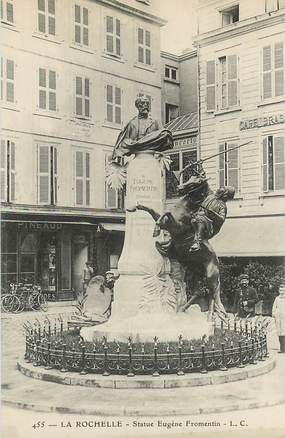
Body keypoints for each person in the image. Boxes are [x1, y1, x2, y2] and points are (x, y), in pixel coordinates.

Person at [111, 94, 173, 161]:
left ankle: (141, 142)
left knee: (165, 133)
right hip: (138, 156)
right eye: (143, 103)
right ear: (138, 106)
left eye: (147, 103)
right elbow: (125, 141)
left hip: (150, 156)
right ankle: (142, 142)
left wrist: (137, 143)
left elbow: (164, 136)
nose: (145, 105)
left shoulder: (156, 122)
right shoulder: (132, 123)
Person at [188, 185, 235, 252]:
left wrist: (213, 213)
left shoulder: (222, 206)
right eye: (220, 188)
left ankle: (197, 242)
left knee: (200, 218)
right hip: (199, 217)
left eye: (222, 190)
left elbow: (221, 219)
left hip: (210, 227)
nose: (219, 190)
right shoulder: (210, 197)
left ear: (225, 195)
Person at [272, 280, 285, 353]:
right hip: (279, 319)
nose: (282, 292)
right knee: (280, 334)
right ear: (279, 291)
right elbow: (274, 307)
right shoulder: (277, 298)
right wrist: (274, 314)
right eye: (281, 290)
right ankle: (282, 348)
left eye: (283, 290)